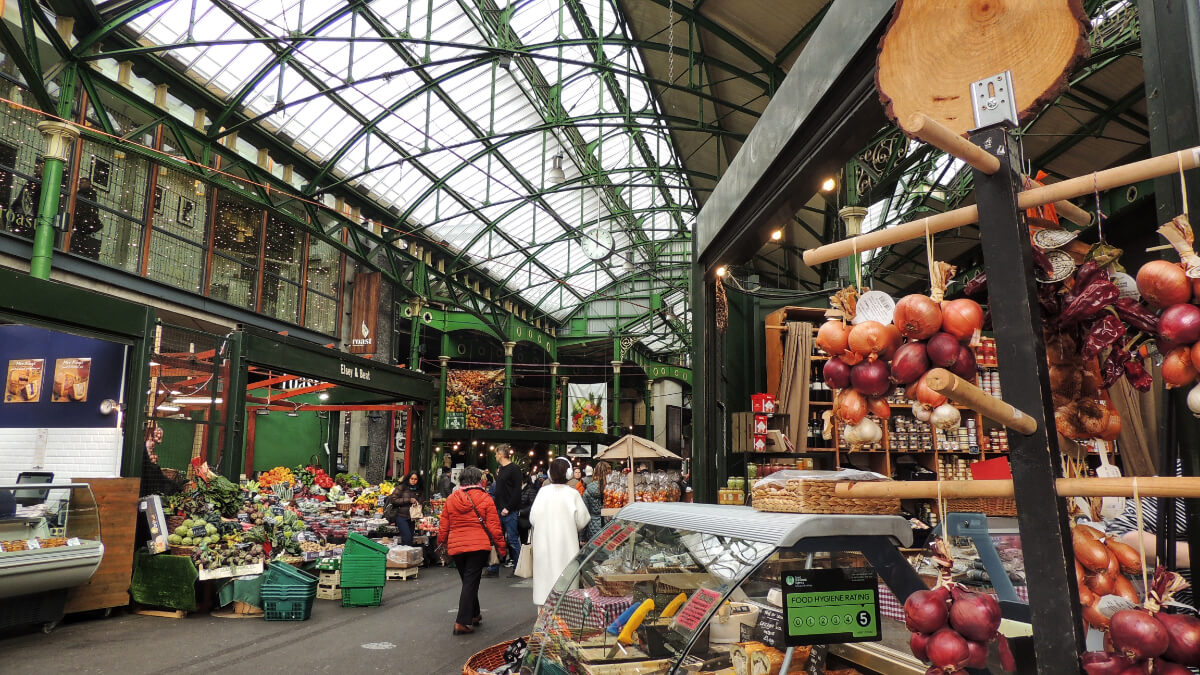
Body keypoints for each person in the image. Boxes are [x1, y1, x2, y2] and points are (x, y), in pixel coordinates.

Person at [437, 466, 505, 635]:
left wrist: (442, 543)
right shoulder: (486, 498)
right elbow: (494, 527)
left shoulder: (452, 499)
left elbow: (444, 525)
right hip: (478, 546)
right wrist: (501, 548)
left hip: (456, 546)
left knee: (468, 581)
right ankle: (462, 622)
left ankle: (474, 614)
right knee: (470, 582)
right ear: (478, 480)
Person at [530, 456, 590, 607]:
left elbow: (533, 519)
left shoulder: (542, 493)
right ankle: (565, 624)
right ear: (569, 473)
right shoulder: (572, 494)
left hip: (543, 546)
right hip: (566, 546)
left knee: (545, 583)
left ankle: (543, 624)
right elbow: (583, 520)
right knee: (566, 587)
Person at [492, 444, 523, 573]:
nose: (495, 456)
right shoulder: (501, 469)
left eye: (496, 453)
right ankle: (493, 567)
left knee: (512, 540)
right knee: (498, 538)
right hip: (500, 509)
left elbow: (517, 491)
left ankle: (519, 567)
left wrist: (508, 507)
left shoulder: (514, 469)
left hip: (509, 511)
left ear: (501, 454)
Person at [69, 178, 102, 260]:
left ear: (88, 183)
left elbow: (90, 210)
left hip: (83, 223)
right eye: (80, 182)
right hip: (82, 224)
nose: (80, 184)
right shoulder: (84, 195)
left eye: (83, 182)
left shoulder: (89, 195)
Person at [387, 471, 421, 546]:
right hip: (401, 516)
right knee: (407, 538)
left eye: (415, 479)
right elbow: (393, 500)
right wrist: (408, 500)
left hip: (412, 518)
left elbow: (421, 501)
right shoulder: (401, 487)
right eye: (411, 478)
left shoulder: (418, 489)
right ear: (408, 478)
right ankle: (404, 555)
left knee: (410, 539)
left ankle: (405, 554)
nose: (413, 481)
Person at [583, 461, 611, 540]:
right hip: (610, 524)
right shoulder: (613, 489)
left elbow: (585, 513)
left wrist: (582, 537)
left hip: (593, 526)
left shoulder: (588, 490)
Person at [518, 471, 541, 545]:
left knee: (525, 541)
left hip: (525, 520)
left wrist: (521, 512)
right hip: (518, 519)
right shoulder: (518, 490)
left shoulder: (530, 490)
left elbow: (533, 505)